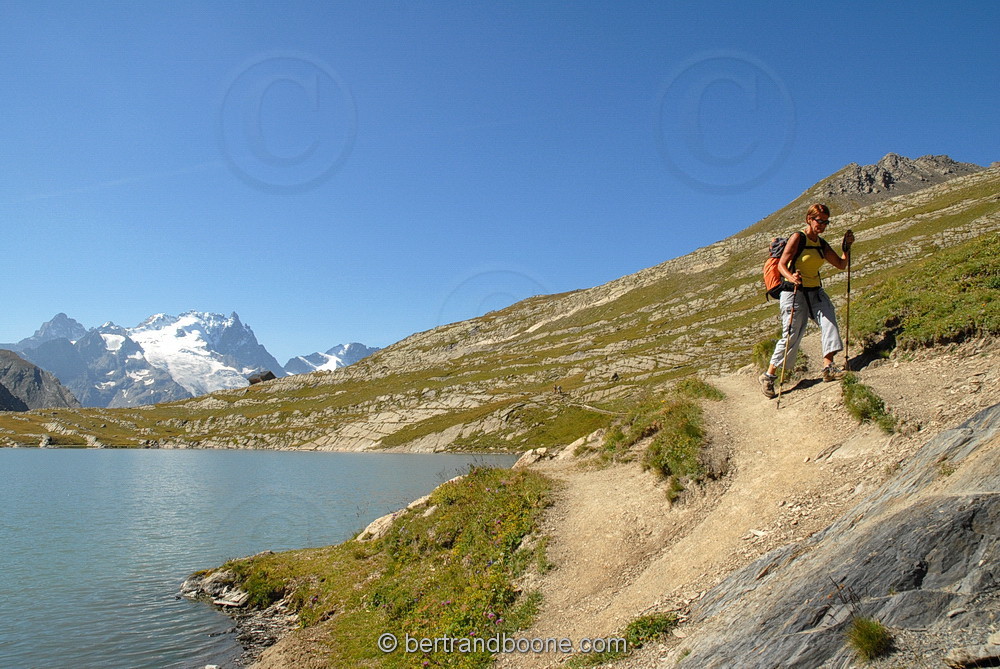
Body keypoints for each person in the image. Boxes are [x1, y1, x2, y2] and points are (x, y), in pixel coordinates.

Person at [759, 203, 854, 399]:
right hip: (793, 292)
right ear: (809, 219)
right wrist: (791, 277)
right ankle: (769, 376)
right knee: (793, 334)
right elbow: (782, 265)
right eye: (819, 221)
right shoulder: (798, 238)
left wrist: (847, 248)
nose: (823, 225)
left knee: (829, 322)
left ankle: (828, 368)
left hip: (814, 291)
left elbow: (841, 264)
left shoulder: (821, 244)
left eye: (826, 222)